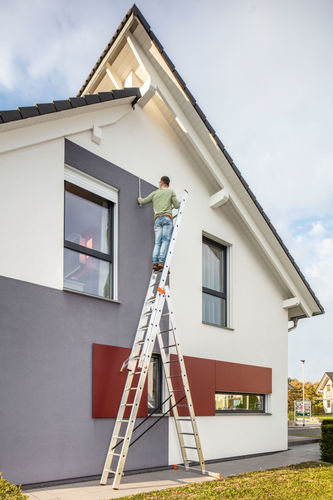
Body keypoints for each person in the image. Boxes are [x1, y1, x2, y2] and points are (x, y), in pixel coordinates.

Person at [138, 176, 180, 271]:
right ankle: (161, 261)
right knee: (165, 241)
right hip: (167, 219)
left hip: (157, 220)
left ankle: (155, 262)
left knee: (157, 243)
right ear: (168, 184)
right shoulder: (170, 192)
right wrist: (182, 202)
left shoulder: (155, 193)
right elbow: (177, 205)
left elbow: (143, 201)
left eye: (159, 182)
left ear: (161, 182)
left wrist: (139, 199)